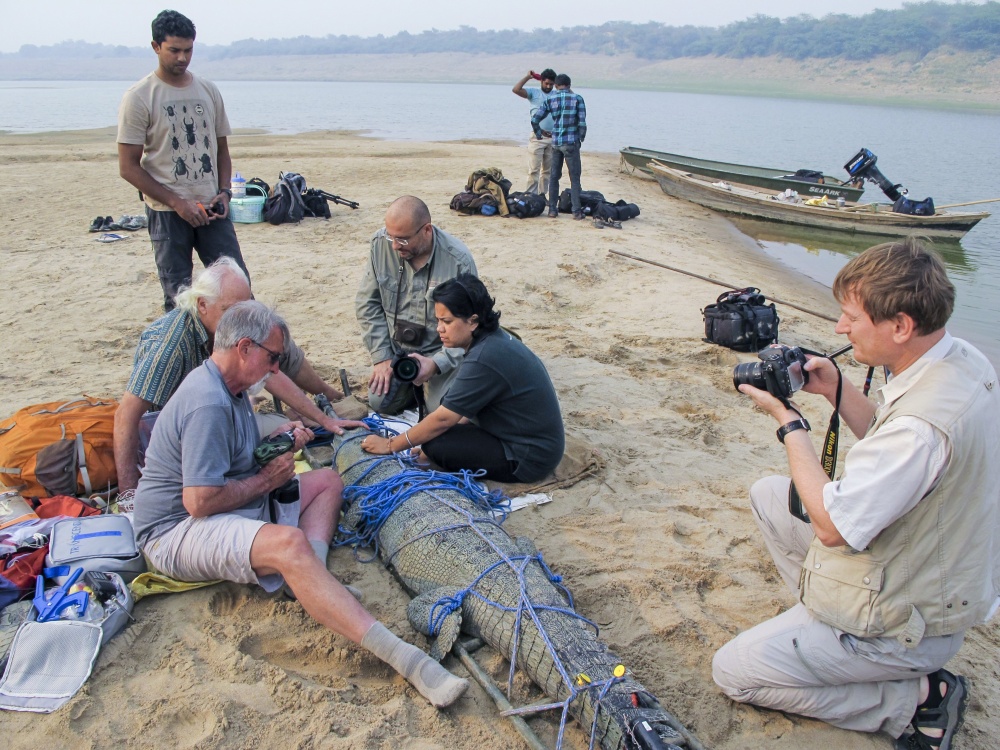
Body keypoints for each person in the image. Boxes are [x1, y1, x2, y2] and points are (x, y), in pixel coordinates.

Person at [713, 238, 1000, 750]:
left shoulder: (919, 429)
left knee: (734, 673)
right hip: (934, 570)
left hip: (910, 623)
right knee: (770, 495)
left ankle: (914, 699)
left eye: (851, 317)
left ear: (900, 326)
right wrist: (837, 391)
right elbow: (905, 462)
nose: (841, 329)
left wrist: (790, 424)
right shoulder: (961, 361)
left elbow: (833, 527)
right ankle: (823, 630)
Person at [132, 301, 469, 708]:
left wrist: (282, 440)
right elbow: (199, 502)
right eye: (273, 359)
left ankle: (307, 583)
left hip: (214, 507)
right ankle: (407, 660)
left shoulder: (230, 385)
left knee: (326, 481)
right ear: (243, 347)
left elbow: (231, 458)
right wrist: (264, 481)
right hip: (174, 530)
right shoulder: (208, 402)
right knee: (289, 544)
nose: (276, 370)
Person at [115, 257, 359, 496]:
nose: (239, 316)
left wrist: (325, 419)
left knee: (286, 428)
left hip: (219, 421)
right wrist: (128, 494)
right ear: (202, 305)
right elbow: (127, 415)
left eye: (245, 306)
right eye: (230, 310)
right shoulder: (171, 346)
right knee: (281, 429)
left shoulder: (230, 327)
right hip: (183, 439)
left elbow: (269, 372)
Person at [361, 274, 564, 484]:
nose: (439, 328)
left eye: (447, 321)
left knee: (436, 444)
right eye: (438, 320)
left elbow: (443, 419)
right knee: (435, 436)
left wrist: (391, 445)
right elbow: (462, 412)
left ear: (473, 321)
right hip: (535, 446)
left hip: (528, 460)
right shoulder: (493, 339)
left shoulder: (484, 357)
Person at [117, 9, 251, 312]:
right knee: (179, 299)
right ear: (156, 47)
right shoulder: (139, 97)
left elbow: (221, 149)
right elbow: (128, 166)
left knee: (238, 288)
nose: (182, 57)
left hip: (212, 210)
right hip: (167, 213)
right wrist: (177, 202)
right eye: (174, 50)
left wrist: (225, 192)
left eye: (188, 50)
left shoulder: (207, 90)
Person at [356, 196, 478, 414]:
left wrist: (436, 363)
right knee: (380, 402)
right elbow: (368, 304)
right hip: (397, 351)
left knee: (442, 409)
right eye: (390, 236)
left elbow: (468, 329)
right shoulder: (380, 245)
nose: (394, 246)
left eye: (402, 240)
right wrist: (382, 357)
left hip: (440, 350)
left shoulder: (458, 260)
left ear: (427, 230)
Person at [531, 73, 587, 220]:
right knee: (574, 177)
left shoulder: (551, 99)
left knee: (554, 176)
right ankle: (576, 211)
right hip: (571, 143)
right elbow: (582, 123)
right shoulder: (577, 99)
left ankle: (553, 210)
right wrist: (580, 139)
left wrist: (539, 133)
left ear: (555, 86)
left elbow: (535, 119)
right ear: (569, 86)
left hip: (556, 142)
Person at [512, 69, 556, 196]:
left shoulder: (556, 95)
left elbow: (571, 98)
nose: (548, 86)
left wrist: (561, 85)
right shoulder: (533, 93)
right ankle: (531, 195)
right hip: (537, 136)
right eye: (546, 83)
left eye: (551, 84)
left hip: (553, 137)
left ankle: (542, 195)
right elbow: (516, 89)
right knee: (534, 169)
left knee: (548, 170)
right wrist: (528, 77)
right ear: (541, 81)